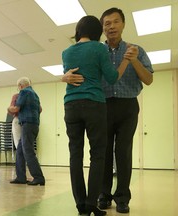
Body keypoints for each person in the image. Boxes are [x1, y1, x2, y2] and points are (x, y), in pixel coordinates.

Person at [62, 8, 154, 214]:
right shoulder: (96, 49)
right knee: (102, 152)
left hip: (127, 105)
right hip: (100, 105)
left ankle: (122, 196)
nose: (111, 26)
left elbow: (148, 79)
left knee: (123, 151)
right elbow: (72, 71)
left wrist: (134, 60)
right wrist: (64, 77)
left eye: (115, 22)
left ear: (123, 24)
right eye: (107, 23)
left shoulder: (135, 49)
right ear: (101, 29)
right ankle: (103, 194)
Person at [8, 77, 45, 186]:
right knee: (20, 150)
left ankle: (39, 177)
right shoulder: (35, 95)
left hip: (27, 125)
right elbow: (40, 110)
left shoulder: (24, 92)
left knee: (28, 151)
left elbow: (16, 109)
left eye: (18, 87)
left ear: (20, 85)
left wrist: (9, 109)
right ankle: (21, 177)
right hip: (34, 125)